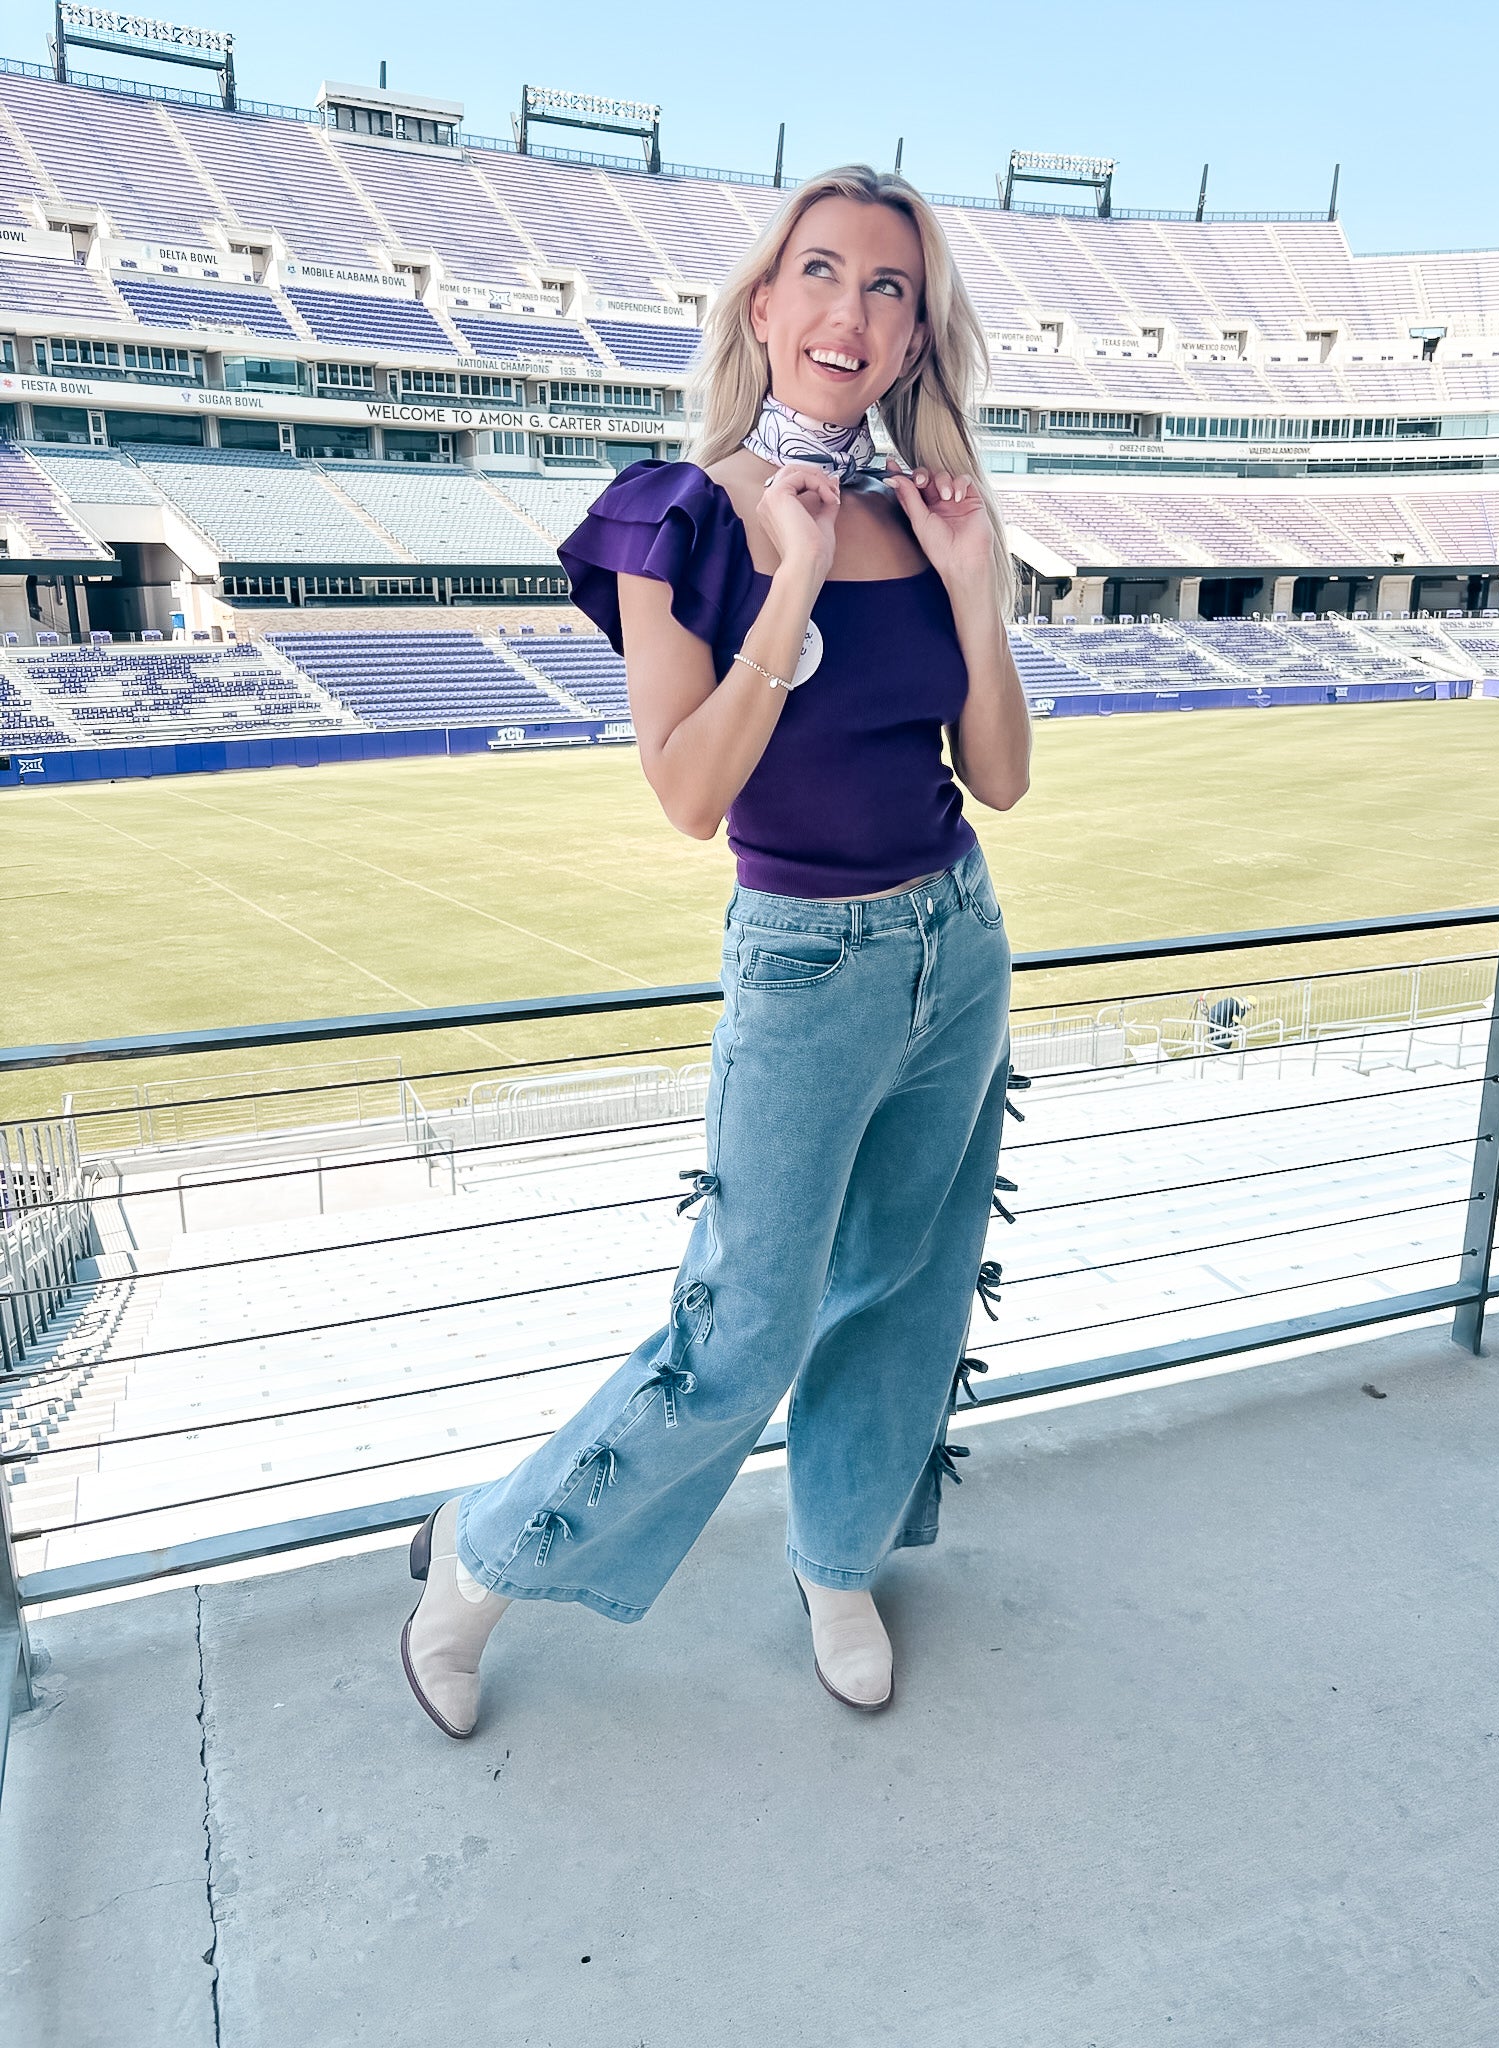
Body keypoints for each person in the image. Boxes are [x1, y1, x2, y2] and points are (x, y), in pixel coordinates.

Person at [400, 164, 1032, 1737]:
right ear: (764, 305)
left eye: (890, 289)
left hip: (955, 946)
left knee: (906, 1290)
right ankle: (478, 1563)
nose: (853, 310)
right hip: (807, 967)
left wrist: (975, 590)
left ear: (910, 339)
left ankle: (836, 1562)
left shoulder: (926, 514)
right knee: (738, 1332)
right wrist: (791, 584)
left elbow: (1002, 778)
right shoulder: (666, 515)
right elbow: (690, 793)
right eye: (822, 272)